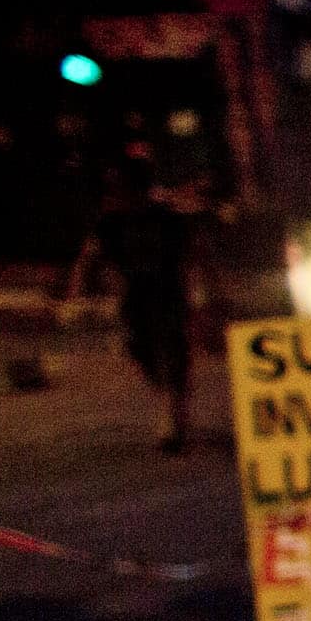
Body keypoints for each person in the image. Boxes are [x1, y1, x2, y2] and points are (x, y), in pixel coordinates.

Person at [57, 156, 204, 451]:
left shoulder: (166, 218)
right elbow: (89, 258)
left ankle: (171, 418)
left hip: (169, 294)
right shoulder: (111, 222)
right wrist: (74, 294)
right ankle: (169, 397)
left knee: (173, 352)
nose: (118, 194)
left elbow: (195, 254)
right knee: (141, 350)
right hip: (135, 298)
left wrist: (205, 292)